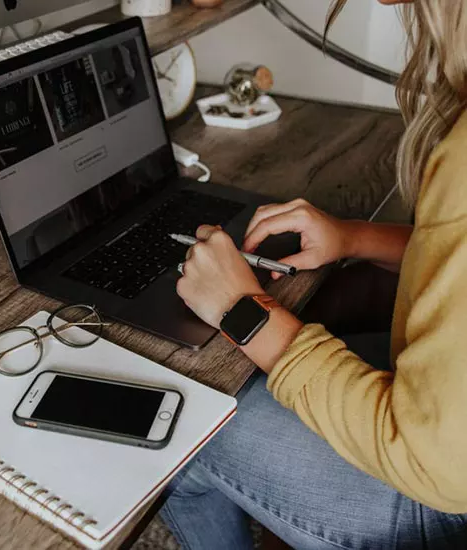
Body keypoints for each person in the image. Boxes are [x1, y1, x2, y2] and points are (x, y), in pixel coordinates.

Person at [160, 0, 467, 548]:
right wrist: (351, 237)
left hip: (439, 506)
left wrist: (241, 309)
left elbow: (433, 462)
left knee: (184, 417)